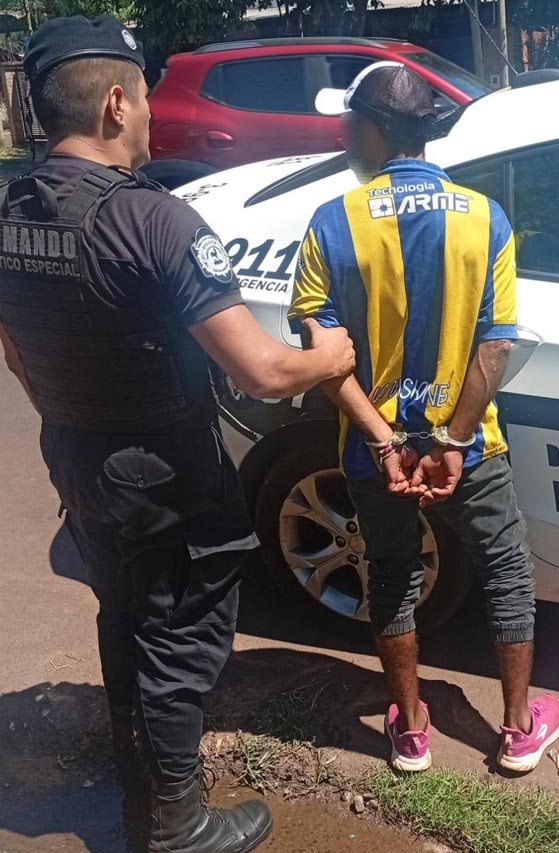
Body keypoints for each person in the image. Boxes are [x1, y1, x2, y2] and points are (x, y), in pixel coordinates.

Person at [0, 15, 355, 853]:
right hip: (163, 474)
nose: (154, 113)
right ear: (115, 103)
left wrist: (73, 413)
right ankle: (175, 823)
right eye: (148, 95)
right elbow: (261, 371)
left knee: (123, 614)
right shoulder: (154, 222)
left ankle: (143, 785)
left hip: (77, 456)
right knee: (179, 638)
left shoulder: (10, 209)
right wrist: (330, 357)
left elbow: (14, 350)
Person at [289, 62, 559, 775]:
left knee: (391, 573)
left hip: (373, 449)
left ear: (377, 131)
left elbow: (323, 356)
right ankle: (517, 729)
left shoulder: (332, 221)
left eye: (351, 125)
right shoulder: (484, 217)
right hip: (467, 447)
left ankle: (411, 730)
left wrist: (386, 442)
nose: (345, 138)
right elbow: (496, 343)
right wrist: (451, 440)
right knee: (505, 568)